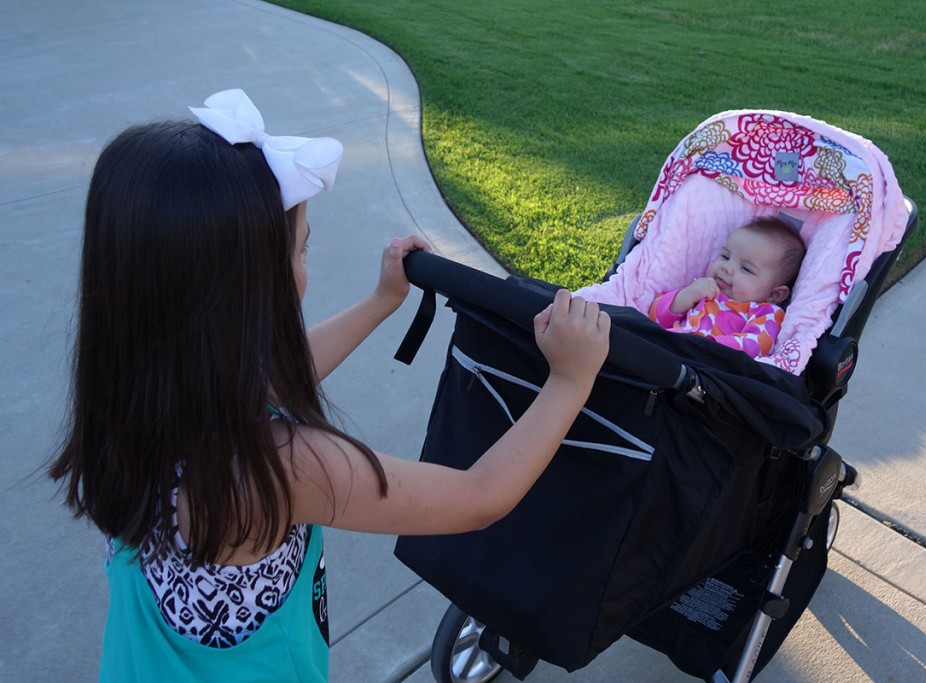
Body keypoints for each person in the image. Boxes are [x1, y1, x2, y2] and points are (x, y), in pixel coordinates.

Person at [48, 89, 609, 682]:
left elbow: (273, 380)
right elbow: (478, 498)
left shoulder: (141, 397)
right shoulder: (282, 469)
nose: (306, 260)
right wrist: (571, 379)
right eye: (302, 247)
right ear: (252, 291)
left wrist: (381, 303)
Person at [648, 217, 805, 358]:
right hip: (666, 347)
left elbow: (757, 345)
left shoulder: (765, 312)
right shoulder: (703, 288)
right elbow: (656, 315)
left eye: (746, 269)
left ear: (775, 294)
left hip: (704, 363)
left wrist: (707, 344)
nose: (727, 267)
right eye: (725, 257)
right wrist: (688, 295)